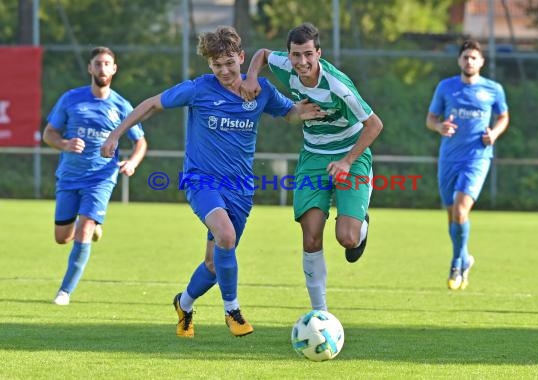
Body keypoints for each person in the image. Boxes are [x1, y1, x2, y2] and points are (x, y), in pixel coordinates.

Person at [100, 26, 324, 338]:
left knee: (214, 264)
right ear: (209, 65)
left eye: (230, 62)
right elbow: (152, 104)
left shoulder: (260, 92)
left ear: (241, 58)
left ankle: (184, 304)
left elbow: (290, 114)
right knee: (226, 236)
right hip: (201, 180)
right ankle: (232, 310)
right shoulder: (199, 89)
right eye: (217, 65)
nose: (224, 70)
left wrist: (318, 110)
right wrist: (115, 134)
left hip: (240, 189)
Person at [240, 23, 383, 312]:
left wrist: (346, 161)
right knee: (311, 235)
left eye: (308, 54)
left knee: (347, 238)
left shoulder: (338, 85)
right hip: (313, 158)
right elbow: (263, 54)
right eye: (296, 55)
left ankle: (361, 223)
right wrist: (252, 76)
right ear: (289, 55)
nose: (302, 62)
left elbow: (374, 124)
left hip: (350, 155)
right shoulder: (285, 64)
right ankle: (320, 312)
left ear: (318, 53)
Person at [43, 46, 147, 306]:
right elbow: (49, 134)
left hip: (101, 177)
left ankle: (64, 292)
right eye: (97, 63)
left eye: (107, 64)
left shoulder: (122, 106)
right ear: (90, 68)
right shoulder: (70, 99)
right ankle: (93, 227)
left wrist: (132, 163)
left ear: (114, 69)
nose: (102, 68)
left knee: (84, 229)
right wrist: (65, 144)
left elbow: (141, 142)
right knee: (62, 238)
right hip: (69, 176)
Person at [426, 39, 509, 290]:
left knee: (462, 210)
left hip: (477, 157)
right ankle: (465, 258)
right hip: (449, 157)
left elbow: (503, 116)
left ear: (481, 62)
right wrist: (439, 126)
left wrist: (493, 134)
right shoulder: (446, 87)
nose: (469, 61)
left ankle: (456, 263)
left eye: (474, 57)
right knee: (452, 216)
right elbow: (431, 118)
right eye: (465, 57)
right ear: (459, 61)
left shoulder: (493, 89)